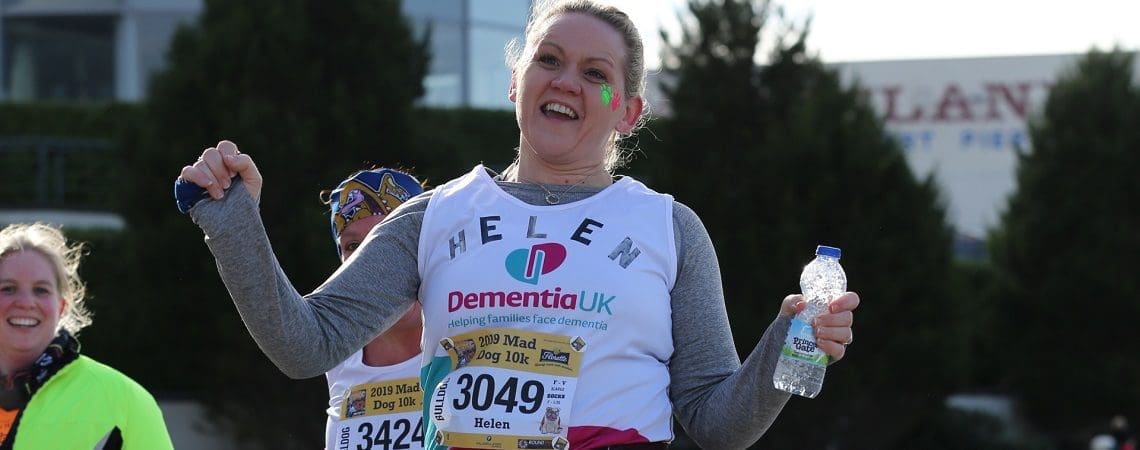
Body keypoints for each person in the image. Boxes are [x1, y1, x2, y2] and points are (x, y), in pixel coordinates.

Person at [173, 0, 860, 448]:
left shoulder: (669, 228)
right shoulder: (434, 218)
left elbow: (715, 422)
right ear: (516, 83)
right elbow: (307, 343)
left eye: (595, 73)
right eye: (548, 60)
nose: (565, 80)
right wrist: (232, 221)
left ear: (629, 112)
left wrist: (786, 344)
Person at [0, 222, 174, 449]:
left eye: (41, 290)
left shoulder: (125, 402)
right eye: (7, 288)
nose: (25, 303)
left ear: (61, 307)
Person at [321, 167, 427, 450]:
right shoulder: (337, 353)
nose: (375, 262)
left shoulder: (471, 335)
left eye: (391, 239)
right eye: (354, 245)